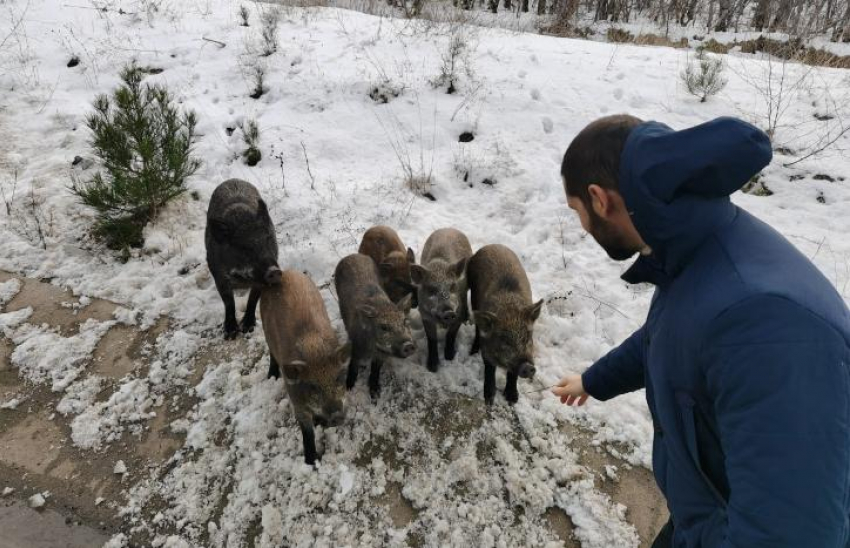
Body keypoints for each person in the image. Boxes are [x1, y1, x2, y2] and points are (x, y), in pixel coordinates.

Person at [552, 114, 850, 547]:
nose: (581, 227)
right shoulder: (694, 255)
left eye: (576, 211)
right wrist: (594, 380)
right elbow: (668, 338)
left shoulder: (766, 324)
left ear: (599, 200)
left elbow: (788, 535)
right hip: (702, 520)